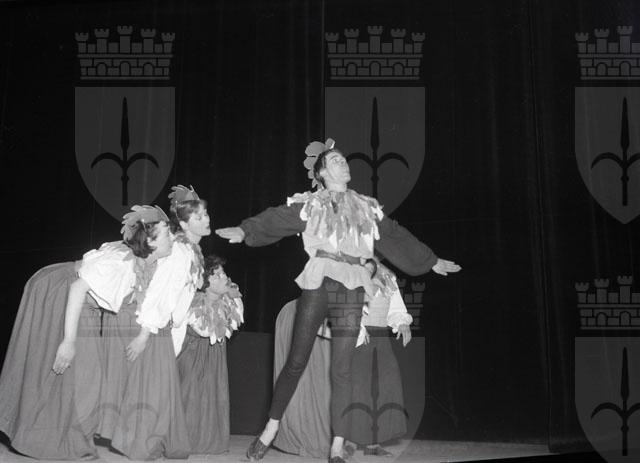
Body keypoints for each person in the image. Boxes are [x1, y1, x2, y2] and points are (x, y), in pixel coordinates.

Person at [216, 138, 461, 462]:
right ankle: (269, 431)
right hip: (320, 279)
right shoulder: (311, 204)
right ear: (321, 173)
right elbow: (279, 217)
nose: (342, 162)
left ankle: (337, 447)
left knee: (342, 369)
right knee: (296, 361)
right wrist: (246, 231)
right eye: (334, 161)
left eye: (343, 159)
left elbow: (393, 234)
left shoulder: (366, 207)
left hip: (352, 286)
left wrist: (429, 260)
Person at [0, 205, 175, 460]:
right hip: (59, 290)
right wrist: (68, 341)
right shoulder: (121, 265)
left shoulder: (143, 262)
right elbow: (77, 288)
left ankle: (64, 439)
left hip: (83, 303)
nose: (172, 238)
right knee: (55, 364)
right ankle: (43, 439)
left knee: (88, 376)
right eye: (167, 234)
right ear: (149, 242)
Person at [96, 202, 200, 460]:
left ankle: (148, 439)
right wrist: (144, 334)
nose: (206, 219)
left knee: (156, 384)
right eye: (200, 216)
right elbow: (158, 293)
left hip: (155, 322)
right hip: (145, 321)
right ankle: (137, 440)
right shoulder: (176, 252)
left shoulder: (183, 251)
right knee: (150, 383)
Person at [177, 254, 243, 454]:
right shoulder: (193, 302)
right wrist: (226, 303)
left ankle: (208, 441)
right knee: (190, 396)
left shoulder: (227, 302)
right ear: (206, 281)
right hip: (192, 356)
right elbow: (205, 331)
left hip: (214, 357)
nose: (225, 278)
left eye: (224, 273)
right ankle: (183, 441)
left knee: (212, 396)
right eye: (218, 275)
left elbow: (237, 320)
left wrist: (234, 297)